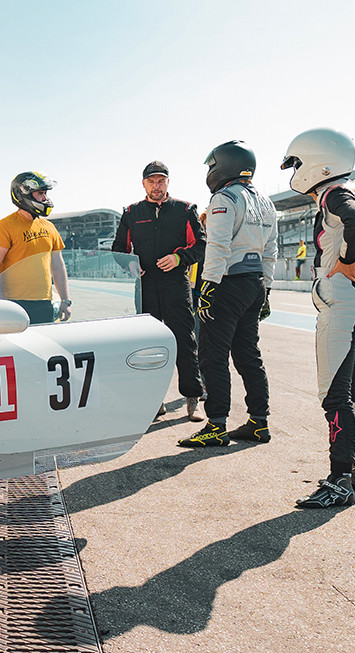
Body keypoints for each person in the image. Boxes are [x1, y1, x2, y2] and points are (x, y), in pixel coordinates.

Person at [282, 128, 355, 508]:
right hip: (354, 303)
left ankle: (339, 480)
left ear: (316, 161)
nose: (294, 170)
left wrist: (346, 261)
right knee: (354, 393)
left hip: (341, 307)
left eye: (295, 162)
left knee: (334, 396)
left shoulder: (333, 193)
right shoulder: (345, 190)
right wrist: (352, 259)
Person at [179, 141, 277, 448]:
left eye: (212, 165)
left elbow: (218, 245)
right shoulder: (266, 201)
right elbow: (271, 251)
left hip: (226, 284)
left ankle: (216, 426)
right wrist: (268, 289)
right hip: (255, 283)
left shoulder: (223, 197)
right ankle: (259, 423)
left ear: (224, 165)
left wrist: (207, 287)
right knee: (249, 355)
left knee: (212, 356)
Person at [112, 161, 206, 421]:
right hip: (145, 286)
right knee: (148, 346)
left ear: (168, 182)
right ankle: (154, 401)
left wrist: (179, 259)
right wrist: (130, 265)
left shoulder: (185, 210)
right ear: (143, 184)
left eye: (161, 181)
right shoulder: (131, 213)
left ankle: (192, 398)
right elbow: (118, 249)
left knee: (185, 341)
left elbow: (201, 245)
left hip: (176, 284)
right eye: (151, 181)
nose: (156, 186)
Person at [0, 172, 71, 324]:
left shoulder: (49, 227)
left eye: (45, 193)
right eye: (40, 193)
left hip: (45, 303)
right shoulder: (4, 226)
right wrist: (1, 305)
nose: (45, 198)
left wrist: (66, 300)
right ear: (24, 193)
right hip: (14, 304)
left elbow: (58, 266)